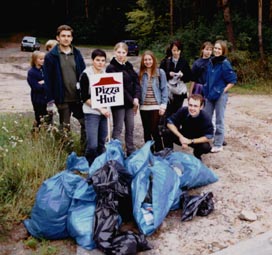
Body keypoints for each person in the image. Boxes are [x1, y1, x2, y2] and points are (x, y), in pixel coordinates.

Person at [43, 24, 86, 150]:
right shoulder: (51, 56)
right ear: (58, 38)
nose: (66, 38)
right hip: (62, 98)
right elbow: (48, 80)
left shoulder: (77, 53)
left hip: (78, 98)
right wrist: (50, 101)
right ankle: (68, 153)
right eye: (63, 36)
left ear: (72, 38)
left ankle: (84, 150)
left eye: (68, 36)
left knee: (85, 123)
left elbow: (84, 75)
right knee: (65, 127)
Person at [106, 42, 141, 157]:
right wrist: (132, 100)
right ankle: (115, 153)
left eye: (123, 52)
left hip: (130, 103)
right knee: (118, 128)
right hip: (119, 103)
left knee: (130, 127)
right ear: (114, 52)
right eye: (119, 52)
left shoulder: (128, 65)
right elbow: (119, 87)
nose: (121, 55)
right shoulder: (111, 68)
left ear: (127, 53)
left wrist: (136, 97)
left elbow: (136, 82)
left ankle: (130, 151)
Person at [203, 39, 237, 153]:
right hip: (209, 94)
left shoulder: (224, 63)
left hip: (220, 96)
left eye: (219, 49)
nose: (216, 50)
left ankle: (218, 144)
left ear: (223, 51)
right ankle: (206, 139)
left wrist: (223, 91)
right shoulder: (211, 62)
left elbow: (232, 80)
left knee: (219, 119)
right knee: (206, 117)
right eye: (215, 48)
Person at [79, 49, 111, 166]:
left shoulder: (106, 75)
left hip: (105, 113)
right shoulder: (86, 74)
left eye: (103, 60)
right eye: (98, 60)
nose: (100, 63)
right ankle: (90, 165)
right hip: (91, 112)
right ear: (93, 60)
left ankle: (100, 166)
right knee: (93, 144)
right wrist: (100, 108)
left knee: (102, 143)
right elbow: (84, 97)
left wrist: (107, 111)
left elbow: (109, 96)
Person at [165, 94, 214, 160]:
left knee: (206, 147)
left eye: (195, 106)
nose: (192, 108)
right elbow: (169, 123)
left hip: (196, 140)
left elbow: (209, 136)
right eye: (190, 105)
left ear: (201, 107)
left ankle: (197, 154)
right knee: (166, 132)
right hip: (183, 135)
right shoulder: (183, 110)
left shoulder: (205, 117)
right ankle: (169, 153)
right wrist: (181, 137)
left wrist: (190, 141)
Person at [138, 50, 168, 152]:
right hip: (143, 106)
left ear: (153, 60)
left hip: (156, 106)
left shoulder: (160, 73)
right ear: (142, 61)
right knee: (146, 131)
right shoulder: (140, 73)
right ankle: (149, 152)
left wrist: (163, 105)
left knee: (154, 130)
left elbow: (164, 89)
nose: (147, 62)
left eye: (149, 59)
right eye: (145, 60)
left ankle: (160, 151)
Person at [159, 39, 192, 116]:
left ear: (180, 51)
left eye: (177, 50)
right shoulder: (165, 61)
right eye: (174, 50)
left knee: (178, 111)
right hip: (168, 90)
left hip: (179, 91)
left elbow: (189, 77)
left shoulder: (184, 62)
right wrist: (168, 74)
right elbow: (159, 74)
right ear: (171, 50)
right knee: (167, 110)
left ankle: (175, 126)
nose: (176, 52)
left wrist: (182, 76)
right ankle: (166, 126)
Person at [27, 50, 51, 129]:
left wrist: (44, 82)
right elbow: (36, 87)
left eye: (44, 59)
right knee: (39, 118)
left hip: (47, 99)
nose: (43, 61)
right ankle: (35, 135)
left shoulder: (45, 70)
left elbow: (52, 81)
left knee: (48, 118)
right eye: (40, 59)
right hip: (38, 99)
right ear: (35, 60)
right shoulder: (32, 72)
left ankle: (46, 135)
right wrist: (46, 84)